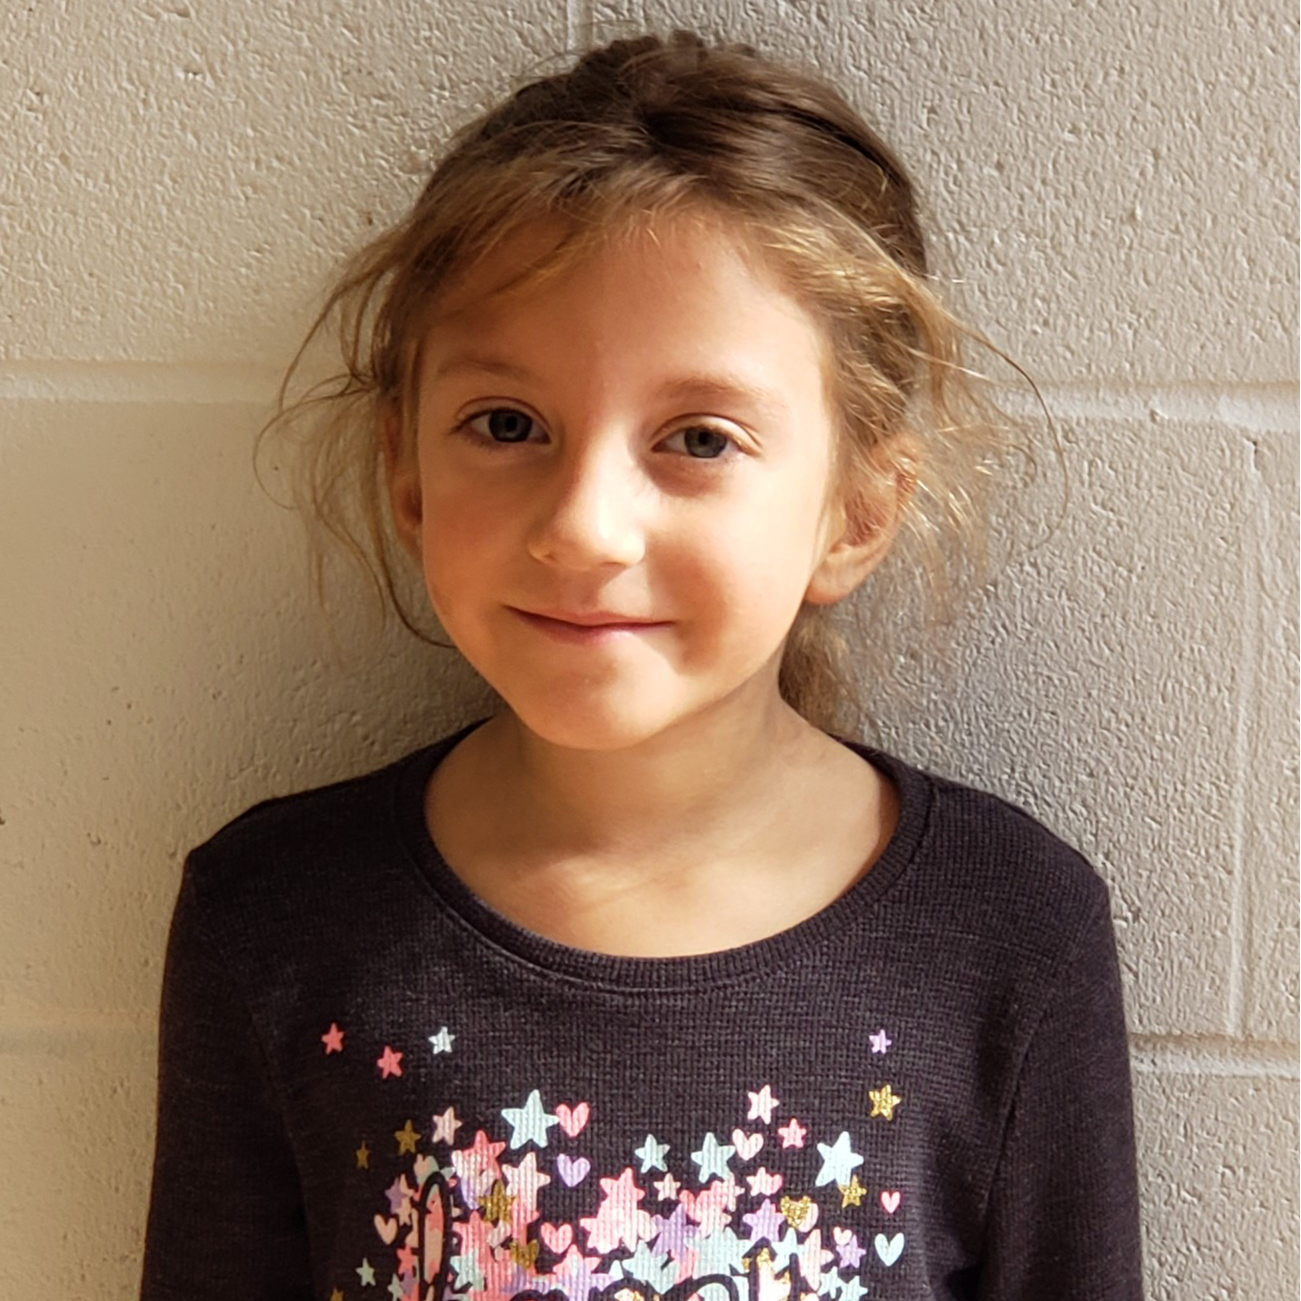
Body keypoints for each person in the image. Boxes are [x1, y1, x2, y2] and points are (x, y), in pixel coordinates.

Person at [140, 30, 1143, 1301]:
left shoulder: (1008, 932)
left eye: (697, 438)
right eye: (506, 424)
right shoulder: (272, 918)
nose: (583, 526)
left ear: (855, 511)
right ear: (405, 468)